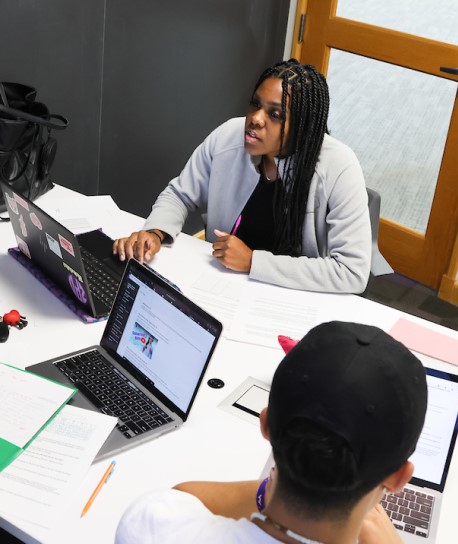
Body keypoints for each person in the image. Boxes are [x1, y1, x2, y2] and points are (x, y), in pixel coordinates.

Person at [115, 321, 428, 544]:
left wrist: (284, 480)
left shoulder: (152, 524)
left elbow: (182, 496)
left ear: (265, 425)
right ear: (399, 478)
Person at [113, 59, 371, 294]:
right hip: (221, 285)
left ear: (303, 128)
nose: (255, 119)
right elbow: (180, 195)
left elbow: (351, 271)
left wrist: (252, 262)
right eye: (256, 104)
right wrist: (155, 232)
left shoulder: (339, 166)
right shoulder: (228, 137)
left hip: (298, 295)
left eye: (275, 114)